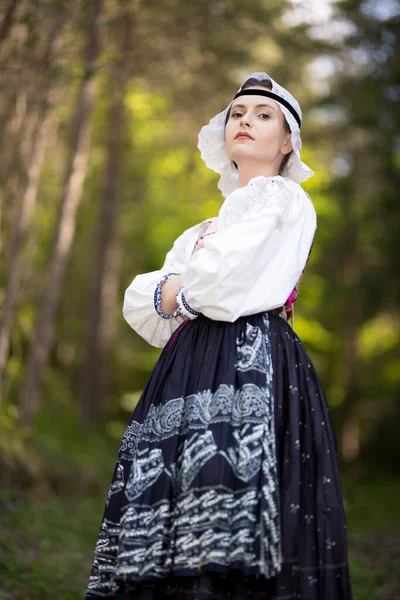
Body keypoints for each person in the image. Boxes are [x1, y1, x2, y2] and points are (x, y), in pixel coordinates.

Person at [85, 71, 353, 599]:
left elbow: (219, 282)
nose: (246, 121)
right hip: (188, 365)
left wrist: (181, 288)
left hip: (252, 359)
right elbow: (145, 302)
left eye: (263, 115)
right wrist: (191, 286)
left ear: (287, 141)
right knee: (176, 491)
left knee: (225, 483)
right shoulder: (202, 230)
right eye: (237, 114)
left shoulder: (283, 198)